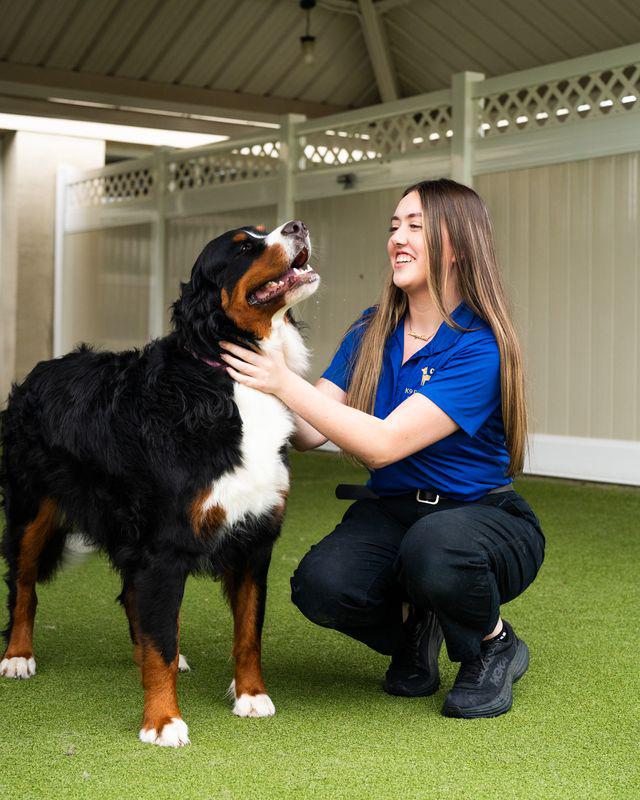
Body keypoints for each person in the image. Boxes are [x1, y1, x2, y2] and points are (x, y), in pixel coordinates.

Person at [220, 178, 545, 719]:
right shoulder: (373, 328)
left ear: (459, 246)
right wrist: (260, 352)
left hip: (480, 518)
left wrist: (281, 382)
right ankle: (418, 627)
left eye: (416, 226)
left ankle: (493, 644)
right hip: (394, 513)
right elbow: (307, 433)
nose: (398, 237)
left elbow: (383, 447)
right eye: (395, 226)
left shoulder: (481, 345)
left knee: (434, 549)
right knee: (322, 586)